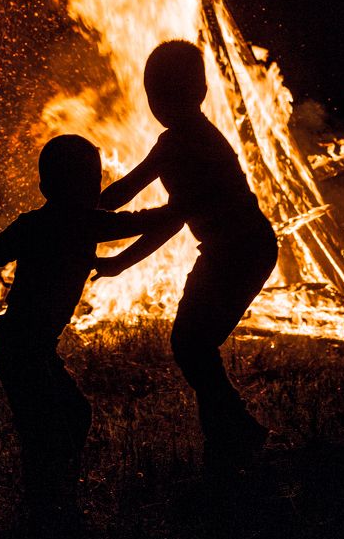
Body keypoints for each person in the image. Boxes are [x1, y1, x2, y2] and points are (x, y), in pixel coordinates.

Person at [0, 133, 180, 522]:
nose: (95, 187)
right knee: (49, 427)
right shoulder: (82, 224)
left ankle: (54, 495)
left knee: (70, 415)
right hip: (21, 348)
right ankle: (46, 506)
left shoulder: (34, 224)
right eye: (90, 179)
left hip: (27, 346)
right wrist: (188, 200)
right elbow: (145, 221)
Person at [94, 40, 278, 471]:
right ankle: (229, 435)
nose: (156, 105)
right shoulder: (177, 139)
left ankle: (236, 430)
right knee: (193, 344)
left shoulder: (191, 142)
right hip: (230, 250)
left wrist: (110, 244)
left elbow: (168, 219)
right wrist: (85, 211)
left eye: (156, 95)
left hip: (242, 251)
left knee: (192, 343)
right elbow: (128, 189)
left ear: (160, 99)